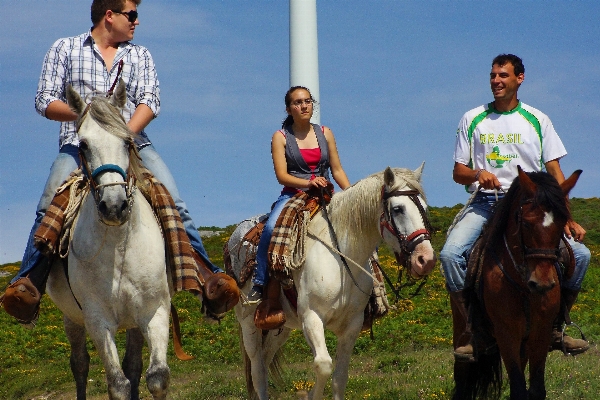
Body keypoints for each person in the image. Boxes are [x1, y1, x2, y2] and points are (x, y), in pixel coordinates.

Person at [5, 0, 222, 322]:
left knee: (175, 202)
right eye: (131, 15)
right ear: (110, 15)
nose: (136, 22)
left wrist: (122, 136)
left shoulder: (139, 55)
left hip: (133, 143)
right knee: (49, 203)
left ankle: (209, 278)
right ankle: (27, 285)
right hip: (80, 144)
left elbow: (150, 100)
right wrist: (88, 117)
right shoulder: (65, 48)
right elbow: (44, 100)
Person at [440, 54, 591, 360]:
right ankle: (473, 330)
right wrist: (477, 174)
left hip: (532, 205)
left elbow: (554, 172)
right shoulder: (472, 118)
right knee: (450, 255)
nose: (496, 81)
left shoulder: (538, 119)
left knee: (582, 256)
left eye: (503, 76)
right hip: (486, 202)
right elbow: (458, 173)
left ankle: (555, 328)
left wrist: (566, 219)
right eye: (493, 75)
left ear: (520, 78)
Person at [247, 86, 351, 303]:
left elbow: (337, 169)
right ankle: (259, 281)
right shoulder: (281, 137)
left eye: (307, 101)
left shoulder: (325, 133)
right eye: (297, 102)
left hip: (325, 194)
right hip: (293, 195)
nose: (304, 106)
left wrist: (351, 194)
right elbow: (282, 176)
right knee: (270, 228)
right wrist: (309, 182)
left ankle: (371, 291)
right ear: (288, 109)